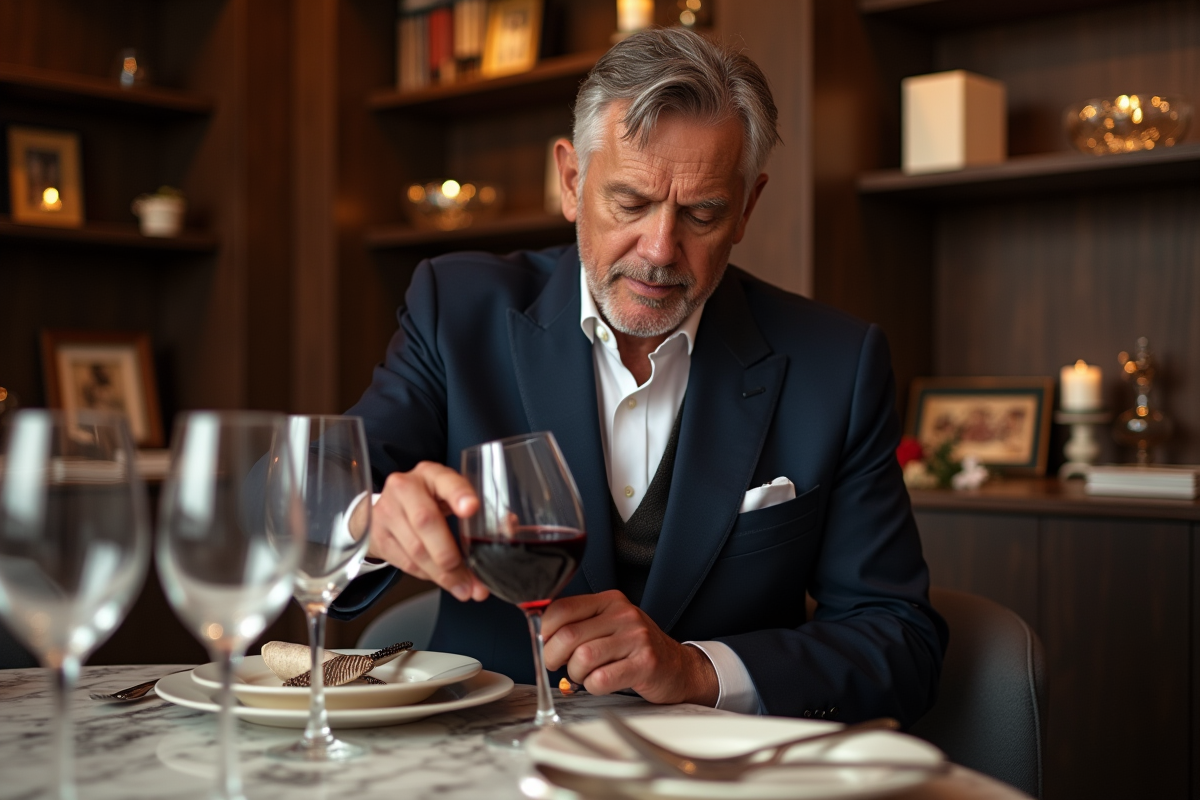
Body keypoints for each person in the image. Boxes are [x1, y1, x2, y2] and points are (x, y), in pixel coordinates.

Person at [333, 27, 947, 726]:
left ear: (747, 208)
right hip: (485, 760)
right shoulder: (456, 310)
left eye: (703, 213)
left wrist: (694, 669)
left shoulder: (837, 362)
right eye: (629, 202)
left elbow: (900, 639)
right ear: (571, 180)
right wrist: (369, 517)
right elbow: (292, 486)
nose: (659, 250)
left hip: (717, 774)